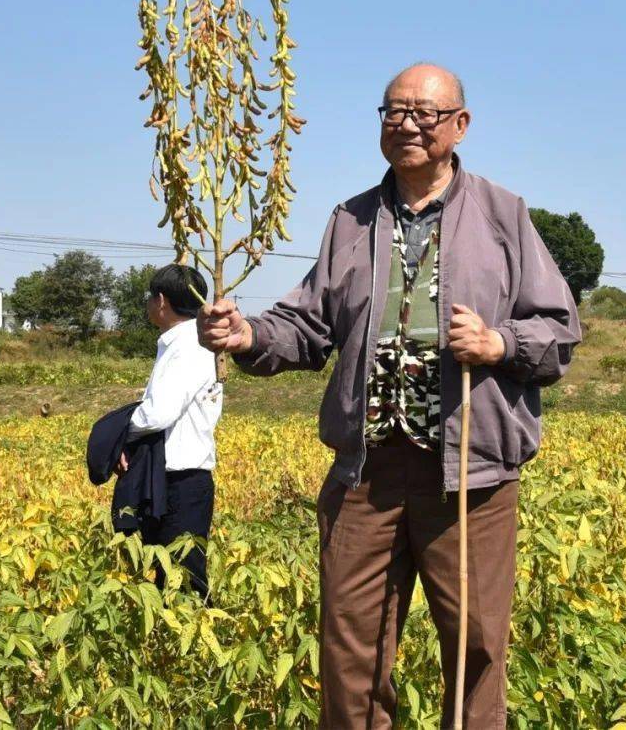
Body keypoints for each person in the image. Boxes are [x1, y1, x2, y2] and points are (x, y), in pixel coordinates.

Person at [198, 63, 581, 728]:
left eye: (425, 113)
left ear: (459, 126)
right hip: (365, 474)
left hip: (469, 476)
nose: (407, 124)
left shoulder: (502, 214)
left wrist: (498, 344)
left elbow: (560, 330)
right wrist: (246, 332)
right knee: (351, 655)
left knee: (476, 648)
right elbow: (309, 326)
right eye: (393, 112)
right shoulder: (351, 221)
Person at [125, 263, 223, 598]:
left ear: (161, 300)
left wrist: (120, 430)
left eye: (150, 297)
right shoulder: (180, 344)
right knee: (166, 576)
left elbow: (157, 413)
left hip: (183, 482)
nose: (149, 304)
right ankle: (172, 649)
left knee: (184, 581)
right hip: (170, 478)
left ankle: (198, 648)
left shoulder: (190, 347)